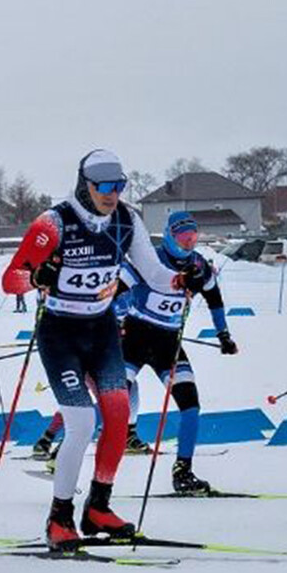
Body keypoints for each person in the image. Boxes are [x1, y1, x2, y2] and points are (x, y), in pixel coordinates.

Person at [2, 149, 204, 549]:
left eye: (119, 186)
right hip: (61, 333)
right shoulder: (54, 223)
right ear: (86, 185)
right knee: (80, 423)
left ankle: (98, 507)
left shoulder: (127, 220)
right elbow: (11, 280)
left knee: (118, 413)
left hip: (102, 330)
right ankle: (59, 516)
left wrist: (182, 280)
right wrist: (37, 276)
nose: (113, 194)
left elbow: (154, 273)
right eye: (104, 187)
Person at [119, 211, 238, 494]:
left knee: (191, 406)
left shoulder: (198, 265)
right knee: (112, 402)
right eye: (183, 237)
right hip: (134, 339)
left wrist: (223, 335)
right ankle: (62, 451)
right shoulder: (150, 260)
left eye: (193, 237)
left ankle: (183, 471)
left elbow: (215, 299)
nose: (188, 242)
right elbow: (115, 289)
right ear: (170, 236)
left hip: (168, 344)